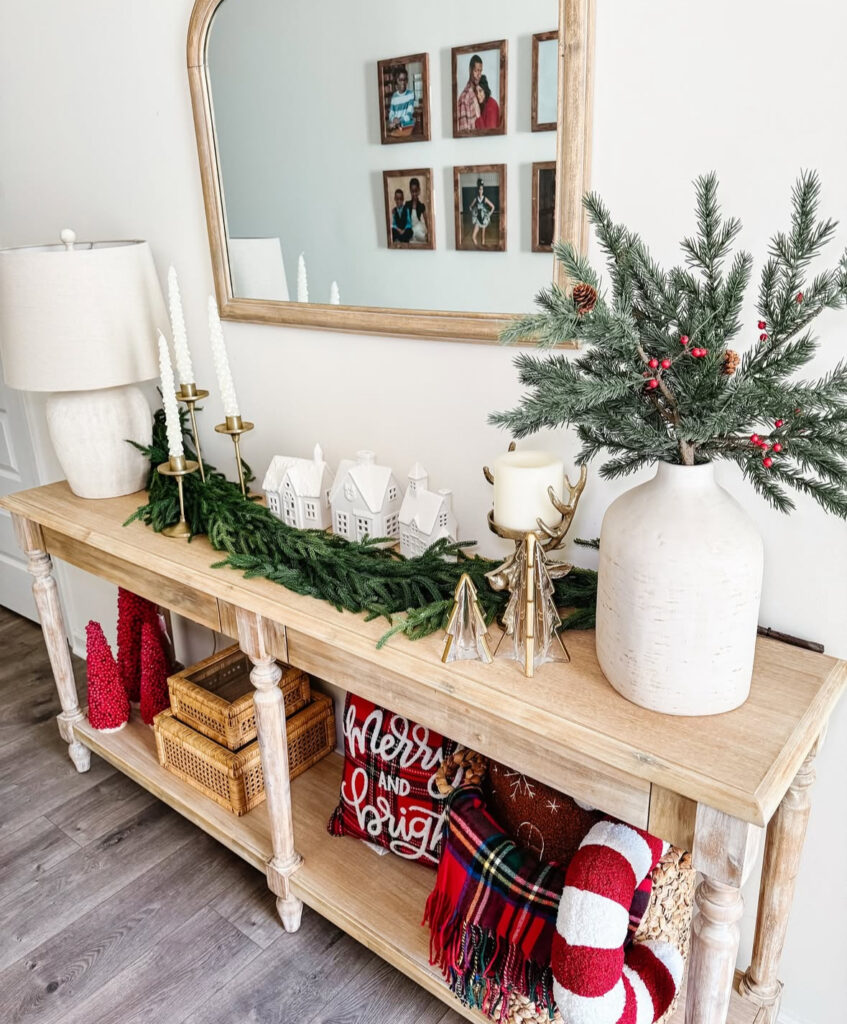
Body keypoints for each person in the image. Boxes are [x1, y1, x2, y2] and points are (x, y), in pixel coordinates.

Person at [456, 54, 482, 133]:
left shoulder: (479, 93)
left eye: (480, 71)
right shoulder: (464, 98)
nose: (479, 75)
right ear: (470, 70)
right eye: (476, 71)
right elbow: (463, 133)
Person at [387, 67, 416, 137]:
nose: (403, 82)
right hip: (396, 127)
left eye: (405, 79)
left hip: (407, 127)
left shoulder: (410, 94)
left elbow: (409, 114)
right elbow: (391, 114)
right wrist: (393, 119)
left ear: (407, 80)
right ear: (396, 81)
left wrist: (399, 120)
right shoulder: (394, 97)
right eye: (400, 80)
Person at [469, 177, 495, 248]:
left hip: (484, 220)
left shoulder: (485, 199)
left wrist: (489, 214)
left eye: (482, 189)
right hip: (478, 220)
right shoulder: (476, 199)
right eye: (480, 189)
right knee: (473, 237)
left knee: (483, 238)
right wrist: (473, 212)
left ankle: (482, 251)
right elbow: (470, 207)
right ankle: (477, 248)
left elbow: (493, 207)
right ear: (478, 190)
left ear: (483, 190)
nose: (481, 191)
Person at [405, 177, 428, 244]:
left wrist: (429, 232)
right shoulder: (407, 204)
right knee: (415, 234)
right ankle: (414, 235)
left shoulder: (421, 205)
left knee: (417, 229)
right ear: (410, 191)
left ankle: (413, 234)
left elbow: (426, 220)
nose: (414, 193)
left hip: (419, 227)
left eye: (416, 191)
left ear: (419, 191)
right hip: (411, 228)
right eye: (412, 191)